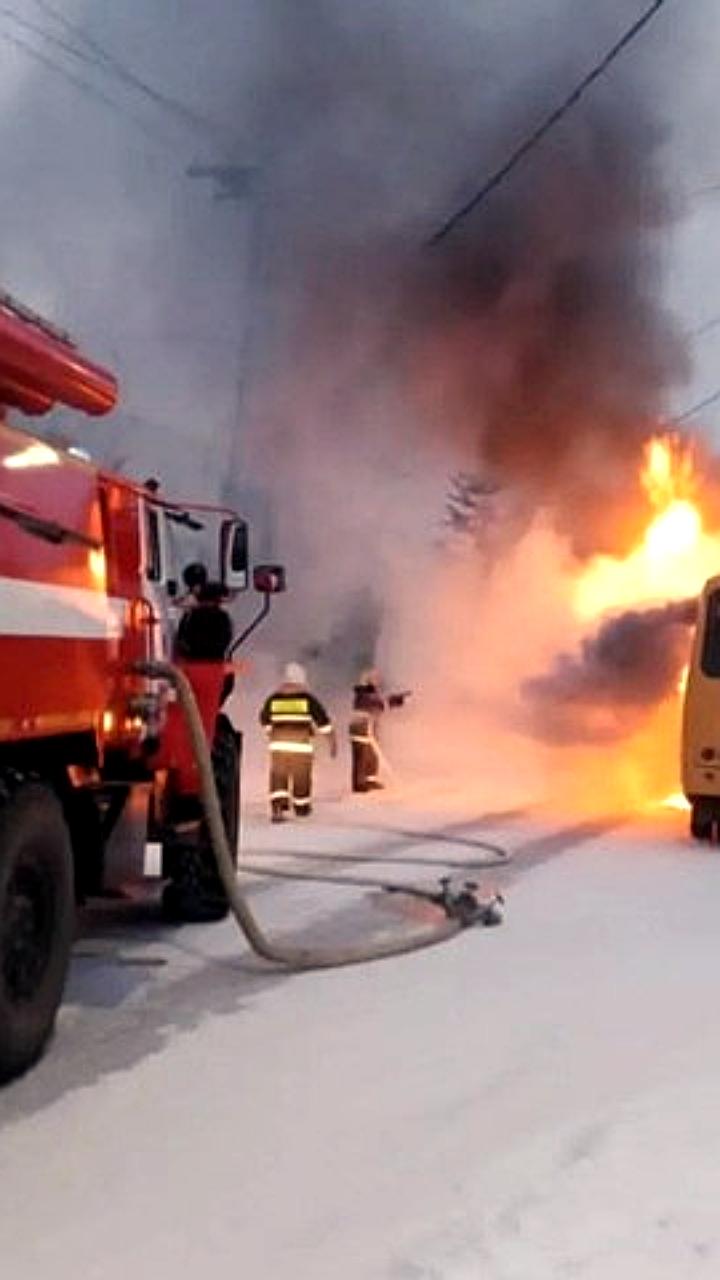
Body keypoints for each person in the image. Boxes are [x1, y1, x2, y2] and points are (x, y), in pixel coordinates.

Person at [259, 663, 336, 821]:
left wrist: (271, 733)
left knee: (278, 776)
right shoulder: (307, 699)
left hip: (278, 746)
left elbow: (264, 719)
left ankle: (278, 807)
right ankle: (301, 808)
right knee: (301, 776)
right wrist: (332, 741)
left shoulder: (274, 698)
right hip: (300, 746)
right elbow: (323, 722)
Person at [349, 669, 409, 792]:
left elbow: (380, 703)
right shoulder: (362, 695)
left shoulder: (370, 694)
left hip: (369, 731)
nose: (378, 682)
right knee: (360, 758)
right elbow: (378, 705)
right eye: (375, 680)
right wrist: (396, 701)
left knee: (372, 756)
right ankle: (359, 784)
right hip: (360, 731)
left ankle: (370, 780)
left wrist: (396, 699)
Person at [175, 580, 233, 661]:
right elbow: (226, 638)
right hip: (215, 660)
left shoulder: (190, 615)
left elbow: (181, 638)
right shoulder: (222, 616)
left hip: (193, 660)